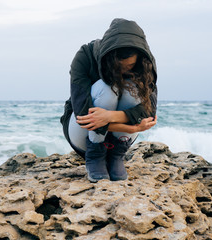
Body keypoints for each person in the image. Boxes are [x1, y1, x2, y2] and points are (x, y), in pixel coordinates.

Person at [60, 18, 158, 182]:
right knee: (107, 87)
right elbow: (83, 113)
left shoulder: (145, 62)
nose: (122, 71)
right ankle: (96, 155)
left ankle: (115, 156)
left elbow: (149, 113)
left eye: (129, 66)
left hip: (120, 139)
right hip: (83, 133)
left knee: (134, 89)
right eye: (117, 66)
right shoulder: (85, 55)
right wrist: (132, 128)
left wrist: (110, 117)